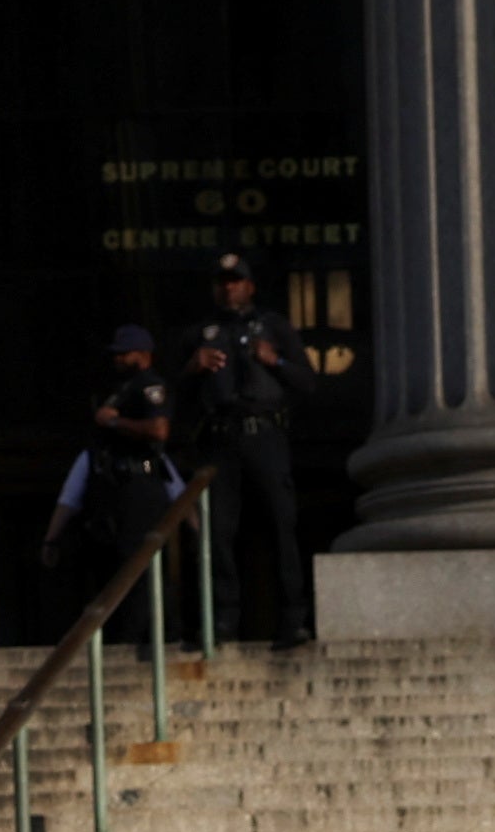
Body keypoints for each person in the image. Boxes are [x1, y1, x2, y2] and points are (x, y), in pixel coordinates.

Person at [183, 247, 313, 644]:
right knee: (218, 533)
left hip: (264, 435)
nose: (228, 289)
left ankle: (292, 618)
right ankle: (223, 620)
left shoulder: (274, 326)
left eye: (235, 282)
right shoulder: (201, 334)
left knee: (280, 525)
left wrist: (275, 362)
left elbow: (308, 382)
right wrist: (192, 368)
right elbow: (176, 396)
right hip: (221, 440)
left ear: (250, 286)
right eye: (222, 283)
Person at [43, 323, 182, 616]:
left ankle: (144, 630)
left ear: (143, 355)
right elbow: (72, 492)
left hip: (141, 476)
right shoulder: (121, 390)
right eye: (116, 354)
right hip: (113, 486)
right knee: (114, 563)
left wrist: (116, 423)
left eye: (124, 353)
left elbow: (159, 434)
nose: (118, 359)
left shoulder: (149, 386)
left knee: (138, 563)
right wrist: (52, 538)